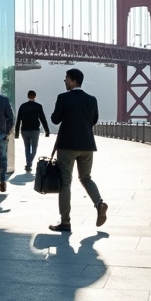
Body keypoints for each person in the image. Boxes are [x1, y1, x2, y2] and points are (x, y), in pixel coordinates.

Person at [49, 69, 107, 231]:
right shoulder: (91, 99)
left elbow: (55, 119)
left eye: (66, 78)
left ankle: (65, 221)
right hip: (87, 145)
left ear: (73, 81)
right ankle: (99, 203)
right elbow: (93, 120)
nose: (65, 81)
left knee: (65, 182)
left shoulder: (63, 98)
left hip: (67, 145)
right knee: (86, 178)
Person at [15, 90, 50, 172]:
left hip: (24, 130)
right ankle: (29, 163)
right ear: (35, 97)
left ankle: (28, 163)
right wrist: (47, 131)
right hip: (35, 130)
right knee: (34, 148)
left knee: (27, 148)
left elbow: (18, 120)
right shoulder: (38, 106)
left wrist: (17, 132)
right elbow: (43, 119)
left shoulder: (22, 106)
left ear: (28, 96)